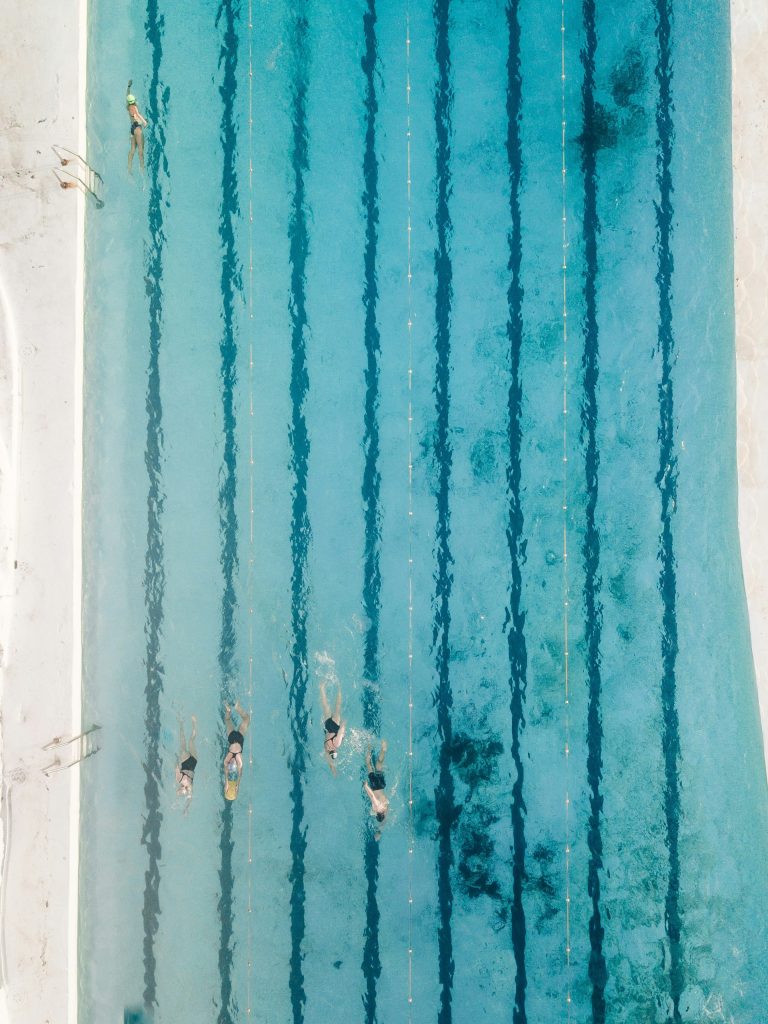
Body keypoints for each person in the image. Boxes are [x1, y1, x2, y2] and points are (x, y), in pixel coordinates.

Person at [223, 701, 251, 800]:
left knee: (247, 718)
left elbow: (239, 773)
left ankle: (237, 707)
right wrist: (229, 783)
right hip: (232, 737)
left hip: (239, 738)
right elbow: (228, 770)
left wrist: (236, 785)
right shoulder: (228, 761)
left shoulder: (238, 762)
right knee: (227, 719)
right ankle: (230, 710)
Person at [320, 681, 345, 773]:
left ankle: (339, 688)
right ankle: (322, 688)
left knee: (337, 707)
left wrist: (344, 723)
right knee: (325, 706)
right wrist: (333, 770)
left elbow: (341, 732)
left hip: (335, 726)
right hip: (327, 725)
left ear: (335, 751)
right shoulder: (326, 748)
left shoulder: (336, 744)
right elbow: (329, 762)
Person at [363, 740, 389, 826]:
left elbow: (385, 819)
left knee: (379, 764)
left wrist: (381, 826)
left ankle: (383, 750)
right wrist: (366, 786)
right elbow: (372, 796)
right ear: (377, 814)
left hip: (382, 785)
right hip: (375, 786)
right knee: (368, 764)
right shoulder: (377, 807)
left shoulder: (385, 808)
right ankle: (369, 747)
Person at [126, 80, 148, 172]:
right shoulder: (134, 108)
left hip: (132, 129)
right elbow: (137, 115)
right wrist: (144, 122)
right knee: (140, 150)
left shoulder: (128, 106)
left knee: (132, 149)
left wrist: (129, 87)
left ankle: (129, 167)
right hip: (137, 129)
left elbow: (127, 95)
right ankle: (142, 168)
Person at [175, 715, 198, 804]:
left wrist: (186, 809)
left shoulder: (189, 787)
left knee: (191, 740)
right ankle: (181, 723)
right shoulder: (179, 779)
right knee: (183, 743)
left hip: (193, 761)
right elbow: (176, 766)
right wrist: (177, 758)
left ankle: (194, 723)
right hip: (185, 761)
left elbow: (190, 798)